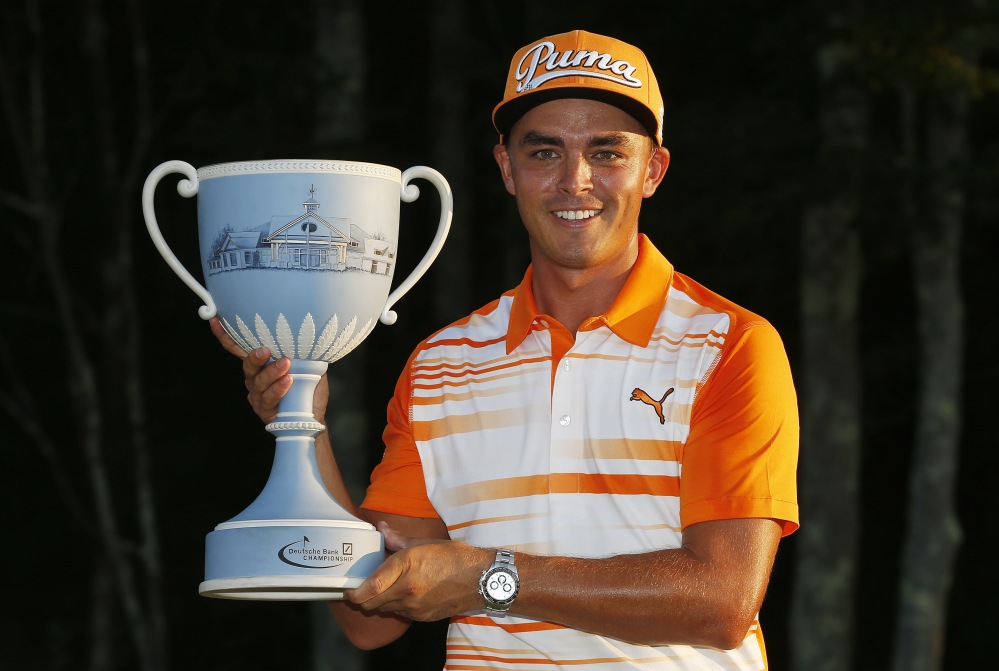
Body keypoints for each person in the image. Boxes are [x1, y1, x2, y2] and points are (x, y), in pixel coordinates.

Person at [212, 29, 799, 670]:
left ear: (652, 170)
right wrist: (305, 425)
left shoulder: (731, 346)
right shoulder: (440, 363)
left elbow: (720, 601)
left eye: (607, 153)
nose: (576, 181)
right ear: (506, 168)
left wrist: (489, 576)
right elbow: (368, 617)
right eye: (545, 153)